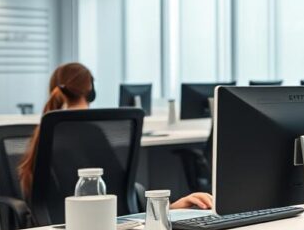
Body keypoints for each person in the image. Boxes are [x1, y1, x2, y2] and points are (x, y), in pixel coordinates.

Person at [18, 62, 212, 209]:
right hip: (96, 224)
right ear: (91, 91)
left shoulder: (46, 130)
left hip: (59, 227)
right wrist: (169, 208)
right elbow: (119, 191)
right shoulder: (93, 132)